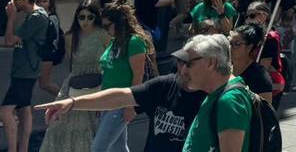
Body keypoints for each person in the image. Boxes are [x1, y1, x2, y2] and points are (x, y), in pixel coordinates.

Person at [39, 67, 206, 152]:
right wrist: (73, 102)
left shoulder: (216, 97)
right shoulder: (165, 85)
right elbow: (120, 96)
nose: (183, 69)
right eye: (181, 62)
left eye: (189, 64)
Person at [40, 0, 107, 150]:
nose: (85, 21)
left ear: (96, 17)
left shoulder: (104, 35)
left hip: (97, 81)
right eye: (81, 17)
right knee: (60, 123)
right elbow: (71, 63)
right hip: (75, 81)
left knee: (89, 126)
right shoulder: (70, 36)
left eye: (90, 17)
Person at [174, 34, 255, 152]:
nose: (183, 70)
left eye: (189, 63)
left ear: (211, 63)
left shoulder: (229, 101)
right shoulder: (218, 94)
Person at [94, 0, 151, 152]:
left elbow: (137, 75)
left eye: (107, 26)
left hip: (121, 101)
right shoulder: (115, 41)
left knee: (98, 148)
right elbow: (108, 73)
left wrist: (130, 106)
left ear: (119, 23)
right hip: (108, 99)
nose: (105, 29)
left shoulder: (135, 42)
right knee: (118, 148)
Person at [2, 0, 51, 152]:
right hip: (27, 67)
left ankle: (13, 149)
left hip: (26, 69)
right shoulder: (37, 15)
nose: (13, 4)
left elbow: (9, 40)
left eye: (16, 0)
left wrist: (10, 17)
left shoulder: (36, 17)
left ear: (24, 0)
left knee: (5, 111)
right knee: (24, 109)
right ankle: (23, 148)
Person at [228, 23, 273, 105]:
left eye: (237, 44)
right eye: (229, 43)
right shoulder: (224, 70)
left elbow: (265, 112)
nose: (230, 48)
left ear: (249, 47)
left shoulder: (260, 77)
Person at [36, 0, 64, 96]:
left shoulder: (52, 18)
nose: (41, 3)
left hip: (47, 54)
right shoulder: (37, 16)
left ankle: (65, 99)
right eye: (39, 1)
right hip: (37, 54)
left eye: (45, 1)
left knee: (44, 83)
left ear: (50, 3)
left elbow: (54, 37)